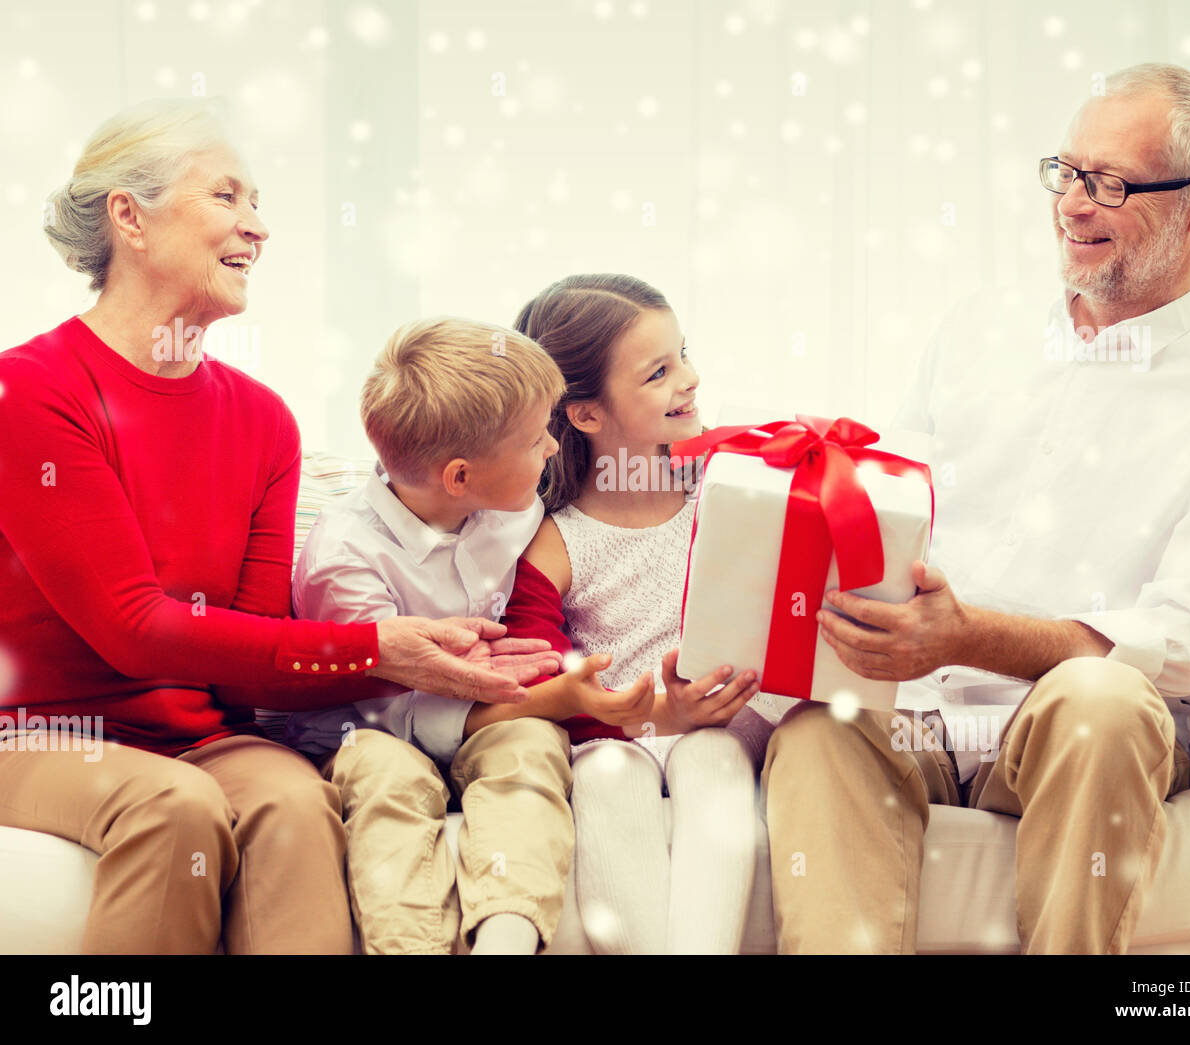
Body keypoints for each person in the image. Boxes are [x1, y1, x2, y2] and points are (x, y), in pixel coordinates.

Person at [762, 62, 1190, 954]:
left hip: (1085, 730)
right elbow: (894, 508)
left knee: (1102, 698)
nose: (1073, 205)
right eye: (1066, 172)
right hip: (921, 714)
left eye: (1111, 184)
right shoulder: (977, 330)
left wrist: (968, 635)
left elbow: (1187, 639)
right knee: (823, 725)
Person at [0, 99, 555, 954]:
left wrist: (443, 660)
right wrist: (374, 648)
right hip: (41, 734)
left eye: (259, 204)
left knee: (297, 800)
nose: (256, 228)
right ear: (129, 218)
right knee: (172, 805)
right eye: (227, 197)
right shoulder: (34, 391)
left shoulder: (262, 419)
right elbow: (130, 628)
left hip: (201, 735)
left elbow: (259, 649)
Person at [283, 316, 649, 954]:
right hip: (370, 730)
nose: (553, 450)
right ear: (460, 478)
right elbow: (395, 714)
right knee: (386, 778)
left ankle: (505, 938)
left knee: (532, 745)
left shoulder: (515, 504)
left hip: (487, 715)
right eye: (538, 440)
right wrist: (555, 695)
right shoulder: (343, 559)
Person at [502, 273, 779, 954]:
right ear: (587, 414)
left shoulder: (730, 488)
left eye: (682, 354)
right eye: (658, 372)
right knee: (604, 773)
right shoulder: (552, 543)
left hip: (724, 728)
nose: (689, 378)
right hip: (615, 739)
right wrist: (658, 716)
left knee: (710, 754)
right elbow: (539, 684)